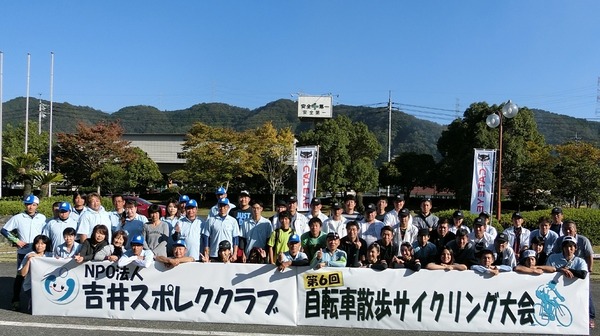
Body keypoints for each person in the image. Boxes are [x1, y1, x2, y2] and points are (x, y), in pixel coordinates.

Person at [0, 194, 46, 311]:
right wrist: (16, 240)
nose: (31, 207)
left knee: (39, 276)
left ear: (37, 205)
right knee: (21, 275)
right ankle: (15, 299)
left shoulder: (42, 217)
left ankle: (38, 300)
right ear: (25, 205)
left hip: (38, 251)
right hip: (23, 251)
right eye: (28, 204)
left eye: (33, 205)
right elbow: (4, 230)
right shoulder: (18, 217)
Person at [545, 235, 592, 327]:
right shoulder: (553, 257)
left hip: (573, 291)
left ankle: (590, 317)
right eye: (566, 246)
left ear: (575, 248)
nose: (568, 249)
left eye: (571, 246)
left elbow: (583, 274)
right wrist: (561, 270)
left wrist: (569, 270)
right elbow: (547, 270)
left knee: (587, 296)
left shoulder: (580, 261)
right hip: (555, 287)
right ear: (562, 248)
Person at [18, 234, 52, 313]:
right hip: (31, 286)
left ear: (46, 245)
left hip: (46, 285)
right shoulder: (29, 255)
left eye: (42, 244)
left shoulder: (50, 255)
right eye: (37, 243)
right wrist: (29, 261)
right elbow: (23, 274)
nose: (39, 246)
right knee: (34, 310)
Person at [203, 198, 240, 263]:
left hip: (228, 254)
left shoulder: (233, 221)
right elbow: (206, 237)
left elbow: (235, 238)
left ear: (228, 207)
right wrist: (206, 252)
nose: (222, 208)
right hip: (214, 254)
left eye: (224, 206)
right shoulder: (211, 220)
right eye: (220, 206)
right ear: (218, 207)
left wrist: (235, 253)